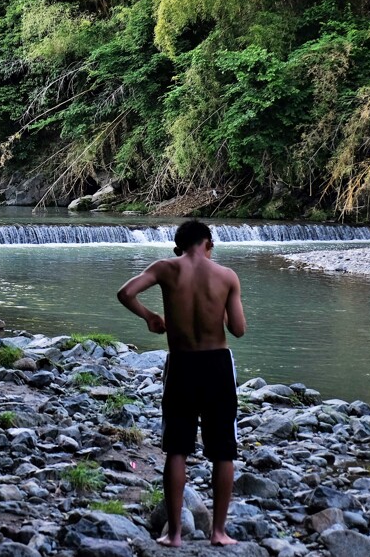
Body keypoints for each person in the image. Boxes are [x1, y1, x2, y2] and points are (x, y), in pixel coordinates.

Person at [116, 220, 246, 548]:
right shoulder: (226, 276)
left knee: (177, 449)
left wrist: (150, 317)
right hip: (216, 364)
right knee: (223, 450)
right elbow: (240, 330)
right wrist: (223, 312)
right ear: (208, 243)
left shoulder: (165, 268)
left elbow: (126, 293)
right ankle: (218, 532)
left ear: (180, 245)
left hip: (182, 364)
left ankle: (173, 534)